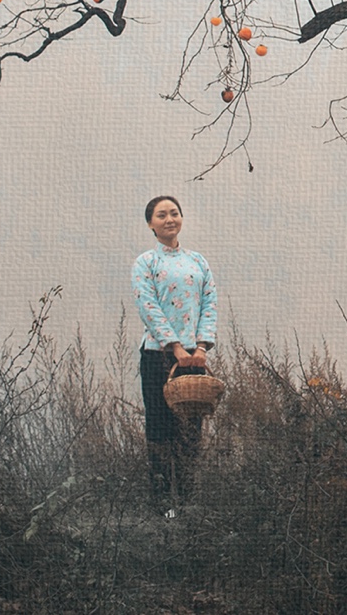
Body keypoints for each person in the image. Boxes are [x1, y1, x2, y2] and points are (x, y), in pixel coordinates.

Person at [132, 194, 218, 514]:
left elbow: (209, 303)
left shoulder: (198, 261)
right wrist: (175, 346)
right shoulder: (146, 263)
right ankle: (162, 505)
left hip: (194, 361)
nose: (169, 219)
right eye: (161, 215)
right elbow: (147, 306)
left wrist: (200, 347)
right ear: (150, 224)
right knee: (160, 428)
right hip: (159, 356)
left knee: (190, 432)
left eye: (174, 213)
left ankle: (187, 503)